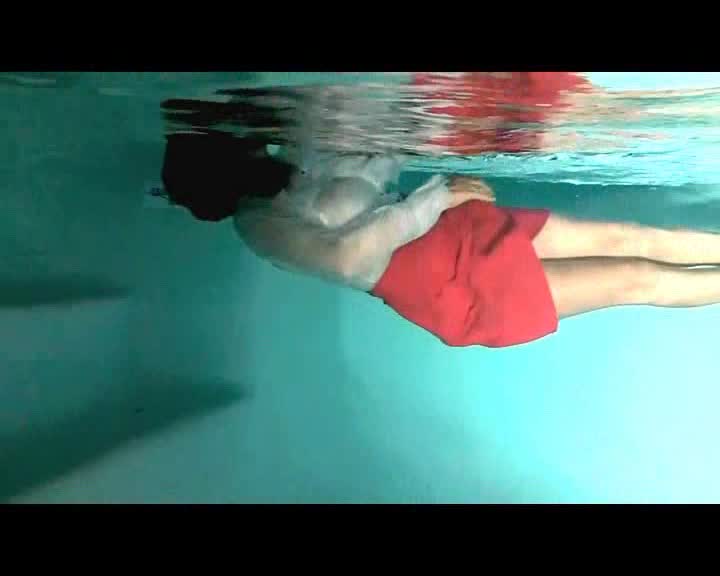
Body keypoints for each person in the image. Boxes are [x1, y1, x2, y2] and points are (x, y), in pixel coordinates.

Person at [160, 128, 720, 349]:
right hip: (448, 284)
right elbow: (347, 258)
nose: (249, 137)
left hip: (456, 228)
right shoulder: (257, 223)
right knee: (634, 278)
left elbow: (372, 170)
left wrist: (424, 134)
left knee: (628, 236)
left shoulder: (289, 159)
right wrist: (431, 198)